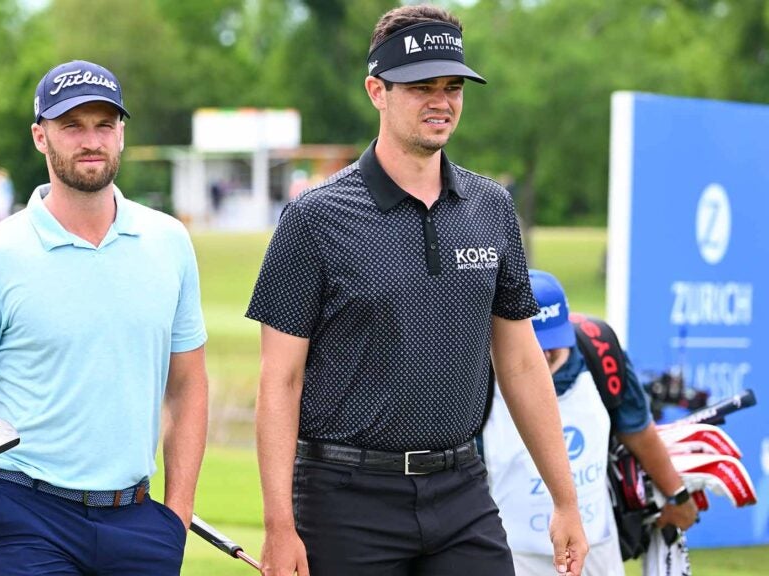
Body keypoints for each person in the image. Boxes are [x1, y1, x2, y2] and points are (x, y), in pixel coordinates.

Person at [245, 5, 589, 576]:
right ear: (376, 90)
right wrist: (279, 526)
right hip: (344, 497)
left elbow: (523, 362)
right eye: (421, 86)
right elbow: (279, 380)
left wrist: (565, 500)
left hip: (461, 490)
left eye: (453, 86)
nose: (442, 100)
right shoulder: (314, 218)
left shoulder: (490, 207)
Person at [0, 59, 209, 576]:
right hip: (26, 514)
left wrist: (177, 514)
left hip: (138, 518)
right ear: (39, 136)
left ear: (122, 133)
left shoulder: (170, 242)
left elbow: (188, 387)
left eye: (104, 124)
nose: (90, 140)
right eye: (71, 125)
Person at [482, 269, 699, 575]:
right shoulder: (478, 373)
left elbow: (638, 431)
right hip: (514, 554)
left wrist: (677, 495)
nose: (540, 356)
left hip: (595, 547)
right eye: (530, 345)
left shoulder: (601, 353)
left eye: (549, 344)